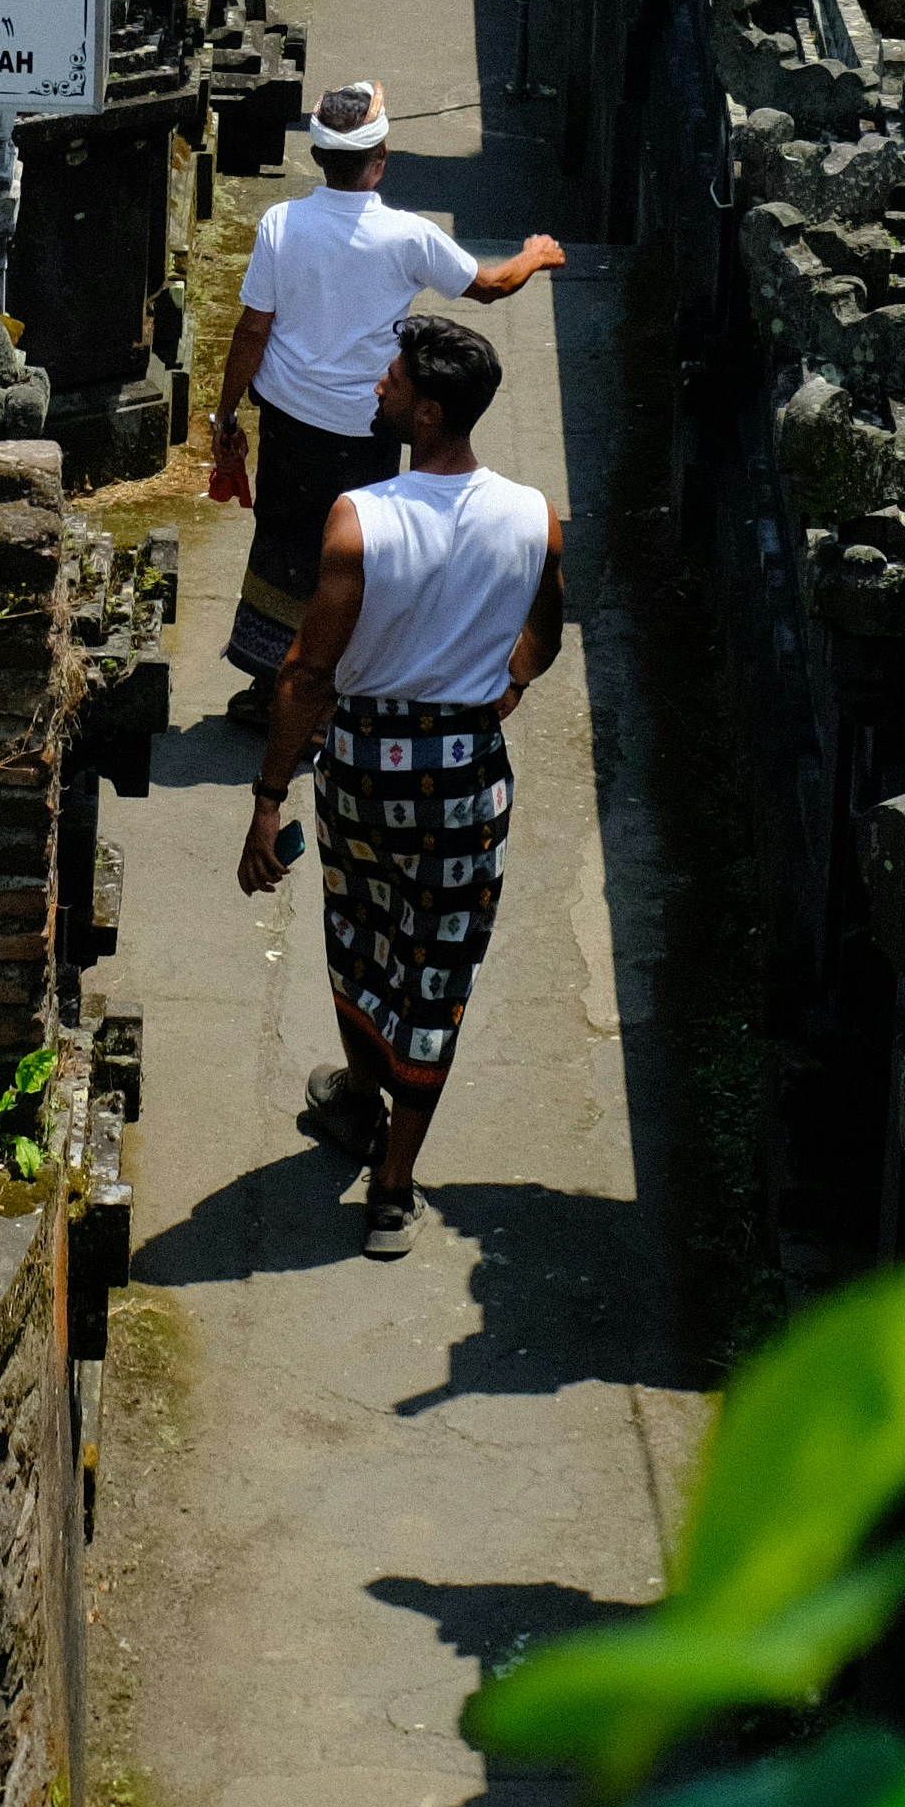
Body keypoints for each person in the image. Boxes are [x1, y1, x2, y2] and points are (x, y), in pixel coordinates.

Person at [236, 302, 564, 1256]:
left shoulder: (362, 521)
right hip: (467, 783)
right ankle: (393, 1186)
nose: (378, 386)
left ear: (426, 416)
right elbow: (544, 632)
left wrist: (267, 798)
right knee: (439, 973)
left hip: (365, 776)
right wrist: (505, 688)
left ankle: (358, 1106)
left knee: (361, 938)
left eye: (393, 381)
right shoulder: (534, 518)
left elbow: (304, 674)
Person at [204, 80, 562, 729]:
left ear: (316, 157)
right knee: (350, 562)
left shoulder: (280, 225)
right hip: (364, 432)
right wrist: (533, 257)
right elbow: (488, 286)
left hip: (286, 418)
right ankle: (328, 696)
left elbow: (252, 330)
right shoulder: (408, 238)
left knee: (284, 547)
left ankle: (270, 687)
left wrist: (225, 418)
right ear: (382, 157)